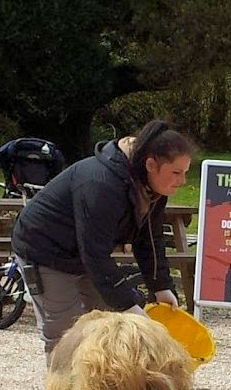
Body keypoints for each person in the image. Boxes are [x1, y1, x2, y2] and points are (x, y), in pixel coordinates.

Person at [10, 119, 192, 355]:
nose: (183, 181)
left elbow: (150, 239)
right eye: (177, 172)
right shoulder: (101, 184)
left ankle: (105, 389)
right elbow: (95, 255)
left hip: (83, 252)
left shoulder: (153, 187)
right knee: (66, 335)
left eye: (185, 173)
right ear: (150, 164)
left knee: (112, 326)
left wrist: (161, 286)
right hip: (44, 249)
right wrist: (128, 305)